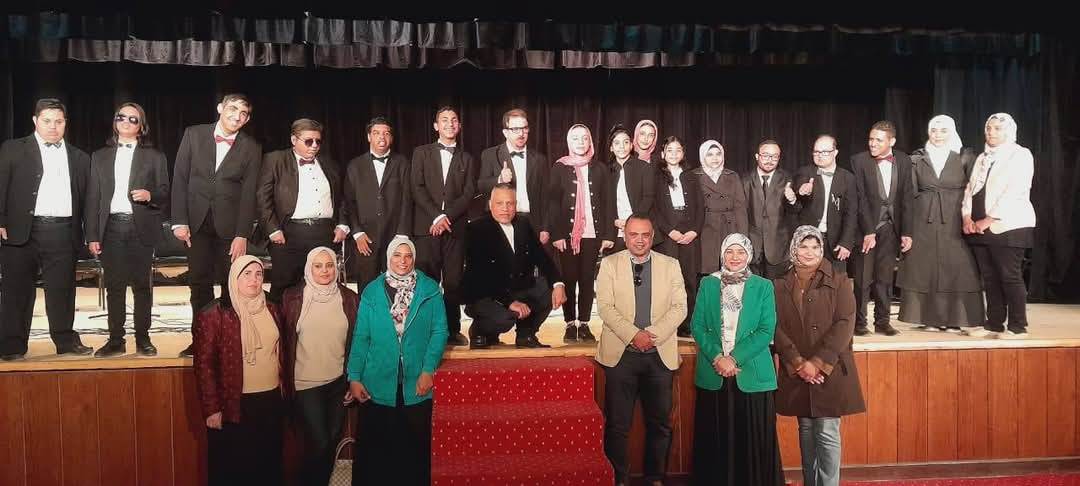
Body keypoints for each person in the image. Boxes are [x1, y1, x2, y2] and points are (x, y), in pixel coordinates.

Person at [595, 214, 687, 486]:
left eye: (645, 235)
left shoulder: (671, 265)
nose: (639, 240)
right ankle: (619, 479)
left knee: (660, 423)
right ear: (625, 237)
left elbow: (680, 307)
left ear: (652, 237)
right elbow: (605, 308)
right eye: (634, 234)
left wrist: (652, 335)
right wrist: (634, 335)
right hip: (621, 356)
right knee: (617, 425)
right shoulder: (609, 264)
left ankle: (654, 478)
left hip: (659, 357)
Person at [348, 237, 448, 485]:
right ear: (388, 258)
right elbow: (361, 337)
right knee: (378, 454)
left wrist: (428, 370)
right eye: (397, 255)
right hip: (377, 383)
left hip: (416, 383)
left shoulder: (430, 290)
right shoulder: (372, 291)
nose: (402, 261)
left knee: (413, 451)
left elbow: (439, 331)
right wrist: (354, 377)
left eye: (408, 256)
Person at [773, 226, 866, 486]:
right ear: (794, 248)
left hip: (829, 369)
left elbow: (845, 324)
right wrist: (798, 363)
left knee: (826, 431)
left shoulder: (839, 280)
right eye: (803, 246)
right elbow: (775, 326)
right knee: (806, 430)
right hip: (797, 370)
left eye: (815, 247)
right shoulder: (779, 284)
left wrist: (817, 363)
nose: (809, 252)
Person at [0, 98, 91, 361]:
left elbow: (87, 199)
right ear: (35, 121)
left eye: (58, 121)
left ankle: (65, 341)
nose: (53, 126)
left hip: (62, 231)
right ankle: (12, 345)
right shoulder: (12, 149)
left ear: (65, 123)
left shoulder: (79, 157)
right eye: (47, 121)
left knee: (62, 290)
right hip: (19, 231)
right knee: (16, 290)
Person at [173, 93, 263, 357]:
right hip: (196, 224)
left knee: (230, 285)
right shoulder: (193, 134)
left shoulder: (251, 147)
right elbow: (180, 178)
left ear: (247, 120)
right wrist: (179, 221)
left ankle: (228, 341)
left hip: (230, 229)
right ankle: (200, 341)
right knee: (198, 284)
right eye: (233, 109)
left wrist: (242, 234)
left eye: (243, 113)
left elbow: (249, 194)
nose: (237, 116)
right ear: (220, 108)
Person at [690, 233, 783, 486]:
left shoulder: (763, 286)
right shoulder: (708, 283)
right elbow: (698, 326)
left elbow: (766, 329)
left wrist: (734, 359)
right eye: (729, 251)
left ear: (749, 255)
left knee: (752, 443)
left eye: (740, 252)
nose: (734, 257)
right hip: (714, 373)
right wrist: (718, 357)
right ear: (722, 254)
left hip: (750, 374)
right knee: (714, 442)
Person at [85, 102, 170, 357]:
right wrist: (92, 235)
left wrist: (150, 195)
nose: (126, 121)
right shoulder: (99, 156)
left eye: (133, 119)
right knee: (114, 286)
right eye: (121, 117)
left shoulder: (155, 156)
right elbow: (93, 199)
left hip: (140, 226)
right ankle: (115, 340)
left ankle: (143, 338)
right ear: (115, 122)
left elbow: (165, 192)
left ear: (141, 126)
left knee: (142, 286)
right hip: (111, 227)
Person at [192, 256, 286, 486]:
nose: (254, 280)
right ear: (234, 278)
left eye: (258, 274)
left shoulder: (273, 306)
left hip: (270, 400)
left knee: (268, 468)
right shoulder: (213, 314)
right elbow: (204, 366)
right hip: (234, 404)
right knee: (234, 471)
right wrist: (212, 409)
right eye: (247, 274)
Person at [280, 247, 359, 486]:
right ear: (309, 268)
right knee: (320, 443)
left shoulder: (349, 298)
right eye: (318, 266)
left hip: (337, 384)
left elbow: (356, 342)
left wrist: (351, 379)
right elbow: (283, 343)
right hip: (306, 385)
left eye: (329, 265)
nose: (324, 271)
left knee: (330, 444)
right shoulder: (292, 298)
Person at [898, 115, 984, 332]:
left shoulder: (965, 156)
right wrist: (907, 228)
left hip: (955, 218)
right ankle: (930, 318)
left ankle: (957, 318)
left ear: (952, 132)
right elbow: (908, 194)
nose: (937, 135)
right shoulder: (917, 158)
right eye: (934, 130)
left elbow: (975, 189)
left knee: (958, 268)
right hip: (923, 220)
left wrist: (971, 217)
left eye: (943, 130)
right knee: (925, 267)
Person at [462, 184, 566, 349]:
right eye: (500, 203)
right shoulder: (476, 229)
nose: (505, 208)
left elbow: (542, 258)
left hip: (517, 288)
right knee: (506, 319)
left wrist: (558, 284)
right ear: (490, 205)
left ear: (516, 205)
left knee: (548, 288)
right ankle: (480, 331)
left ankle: (526, 334)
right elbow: (480, 276)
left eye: (509, 203)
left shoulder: (523, 223)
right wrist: (509, 302)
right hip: (487, 294)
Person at [257, 118, 349, 303]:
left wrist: (342, 224)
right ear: (294, 140)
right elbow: (262, 197)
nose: (314, 146)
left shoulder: (329, 163)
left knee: (324, 286)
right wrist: (272, 229)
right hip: (288, 233)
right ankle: (281, 322)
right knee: (283, 286)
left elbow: (342, 197)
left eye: (318, 141)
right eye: (308, 141)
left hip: (324, 233)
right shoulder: (275, 160)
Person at [962, 113, 1036, 339]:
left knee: (1009, 276)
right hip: (979, 227)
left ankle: (1018, 326)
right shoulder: (982, 157)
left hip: (1008, 225)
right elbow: (970, 189)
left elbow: (1016, 190)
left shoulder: (1020, 155)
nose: (991, 132)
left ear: (1009, 131)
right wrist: (966, 217)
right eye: (988, 128)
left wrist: (988, 219)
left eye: (997, 128)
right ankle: (993, 323)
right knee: (990, 277)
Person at [410, 106, 475, 347]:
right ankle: (426, 330)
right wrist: (436, 216)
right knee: (427, 281)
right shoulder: (421, 153)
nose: (450, 124)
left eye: (454, 120)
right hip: (427, 228)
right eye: (444, 120)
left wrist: (446, 217)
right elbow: (416, 187)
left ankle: (452, 330)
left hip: (455, 230)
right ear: (436, 126)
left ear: (459, 126)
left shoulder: (467, 158)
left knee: (453, 282)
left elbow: (469, 192)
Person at [545, 124, 614, 343]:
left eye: (585, 138)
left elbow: (608, 202)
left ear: (590, 141)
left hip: (592, 234)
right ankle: (569, 323)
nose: (581, 142)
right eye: (575, 138)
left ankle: (584, 324)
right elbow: (553, 203)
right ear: (569, 142)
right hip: (567, 236)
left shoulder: (600, 169)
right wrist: (557, 234)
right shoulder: (559, 167)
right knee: (569, 278)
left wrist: (608, 234)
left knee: (586, 280)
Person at [851, 121, 914, 337]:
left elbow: (907, 197)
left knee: (885, 278)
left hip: (891, 227)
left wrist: (906, 232)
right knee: (863, 278)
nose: (873, 143)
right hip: (866, 227)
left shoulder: (904, 160)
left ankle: (882, 322)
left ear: (891, 141)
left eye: (878, 140)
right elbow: (860, 199)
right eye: (871, 139)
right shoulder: (859, 161)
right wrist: (869, 230)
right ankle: (859, 323)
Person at [343, 116, 412, 289]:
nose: (382, 137)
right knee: (367, 287)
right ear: (369, 137)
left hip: (395, 236)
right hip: (366, 238)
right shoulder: (355, 165)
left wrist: (402, 234)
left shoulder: (402, 163)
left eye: (386, 133)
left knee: (397, 287)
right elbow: (349, 202)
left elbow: (407, 199)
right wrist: (357, 232)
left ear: (391, 138)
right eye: (376, 133)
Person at [651, 136, 702, 337]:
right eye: (670, 150)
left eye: (678, 150)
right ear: (663, 153)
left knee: (689, 279)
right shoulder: (656, 176)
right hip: (667, 233)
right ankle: (667, 325)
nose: (674, 154)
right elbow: (654, 209)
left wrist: (694, 231)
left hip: (689, 232)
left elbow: (700, 207)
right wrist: (669, 230)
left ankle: (686, 325)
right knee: (668, 281)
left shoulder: (691, 176)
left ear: (683, 153)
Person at [792, 134, 858, 275]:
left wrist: (846, 242)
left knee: (835, 282)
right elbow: (800, 185)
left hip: (836, 242)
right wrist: (802, 190)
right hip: (809, 240)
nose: (820, 155)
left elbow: (851, 214)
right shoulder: (805, 172)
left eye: (825, 152)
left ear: (835, 152)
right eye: (816, 152)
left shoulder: (848, 178)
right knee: (806, 281)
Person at [477, 108, 550, 230]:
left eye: (524, 128)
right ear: (505, 132)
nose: (521, 134)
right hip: (500, 222)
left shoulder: (540, 159)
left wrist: (545, 229)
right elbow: (481, 186)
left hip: (532, 223)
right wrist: (500, 179)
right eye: (515, 129)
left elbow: (546, 197)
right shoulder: (490, 154)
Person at [743, 139, 799, 279]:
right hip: (751, 247)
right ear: (757, 156)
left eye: (775, 157)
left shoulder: (788, 179)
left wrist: (792, 200)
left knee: (776, 290)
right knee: (753, 288)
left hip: (778, 248)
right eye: (766, 155)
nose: (770, 160)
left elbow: (796, 211)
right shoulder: (745, 179)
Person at [693, 140, 747, 276]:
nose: (715, 158)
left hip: (729, 228)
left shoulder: (732, 176)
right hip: (705, 229)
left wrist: (742, 236)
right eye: (710, 154)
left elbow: (740, 208)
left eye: (718, 154)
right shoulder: (693, 176)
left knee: (731, 271)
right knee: (708, 272)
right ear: (702, 156)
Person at [606, 125, 655, 254]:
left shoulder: (644, 167)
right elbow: (604, 202)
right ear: (611, 148)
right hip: (615, 229)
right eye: (617, 143)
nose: (622, 147)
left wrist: (631, 221)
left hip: (639, 227)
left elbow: (648, 198)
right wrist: (614, 220)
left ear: (632, 145)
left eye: (626, 142)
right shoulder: (606, 171)